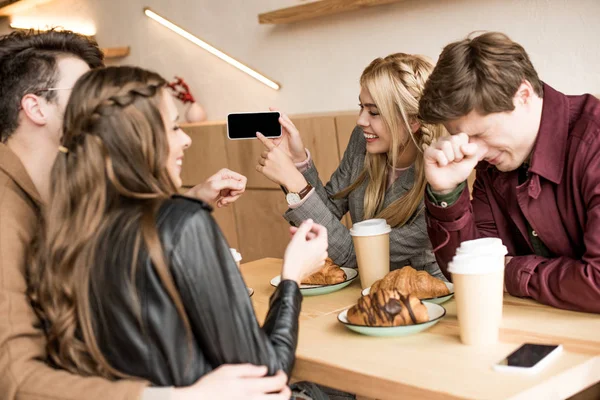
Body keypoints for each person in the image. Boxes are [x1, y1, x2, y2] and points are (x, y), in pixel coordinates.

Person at [0, 29, 290, 399]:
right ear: (35, 107)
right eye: (84, 90)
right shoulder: (5, 211)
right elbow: (16, 379)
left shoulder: (62, 185)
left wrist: (192, 198)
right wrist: (178, 397)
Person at [420, 31, 600, 314]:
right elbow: (471, 273)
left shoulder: (595, 143)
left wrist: (514, 272)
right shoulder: (492, 161)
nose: (473, 151)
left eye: (479, 133)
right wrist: (447, 192)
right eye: (463, 138)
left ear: (523, 95)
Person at [255, 53, 446, 279]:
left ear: (413, 120)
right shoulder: (362, 141)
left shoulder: (442, 181)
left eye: (374, 112)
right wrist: (298, 162)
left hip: (426, 299)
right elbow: (328, 213)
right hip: (367, 289)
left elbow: (354, 255)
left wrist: (295, 183)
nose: (361, 120)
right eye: (362, 107)